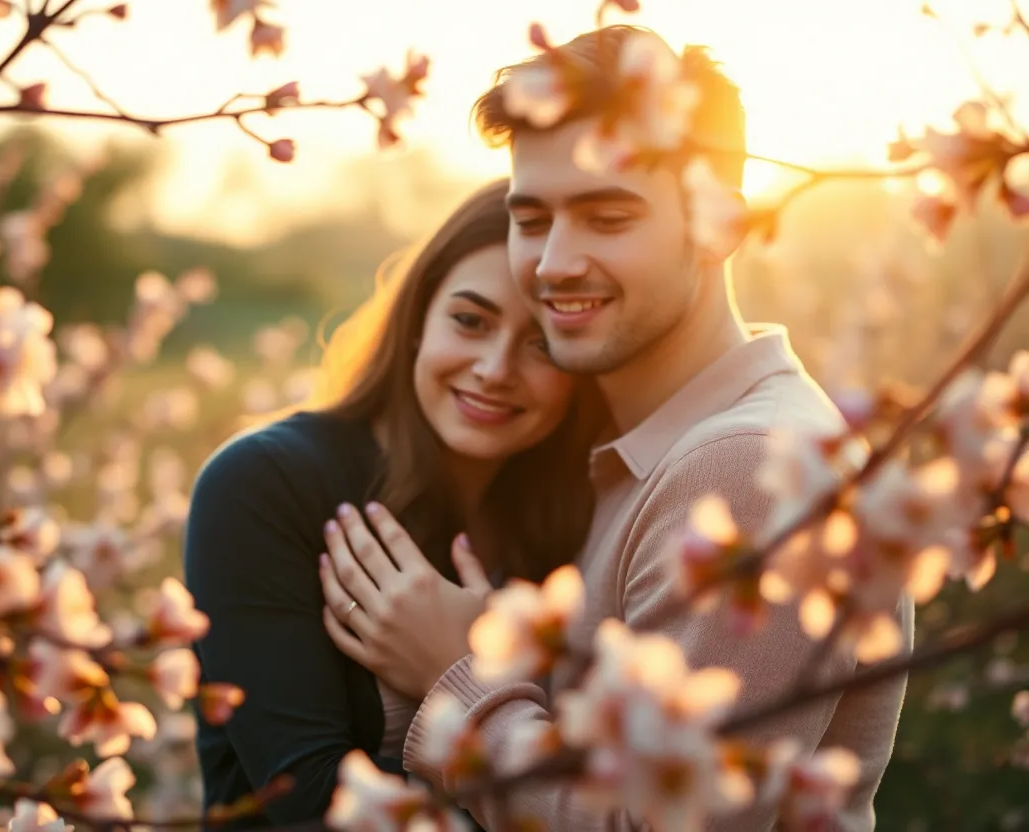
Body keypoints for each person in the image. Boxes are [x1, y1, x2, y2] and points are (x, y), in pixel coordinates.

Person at [315, 25, 913, 831]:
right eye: (533, 219)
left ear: (718, 225)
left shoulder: (749, 467)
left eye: (607, 217)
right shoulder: (624, 448)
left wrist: (458, 679)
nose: (554, 262)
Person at [182, 178, 608, 826]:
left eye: (543, 343)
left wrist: (457, 679)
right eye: (470, 321)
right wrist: (458, 701)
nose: (495, 368)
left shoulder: (577, 516)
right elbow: (309, 806)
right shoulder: (267, 483)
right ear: (417, 320)